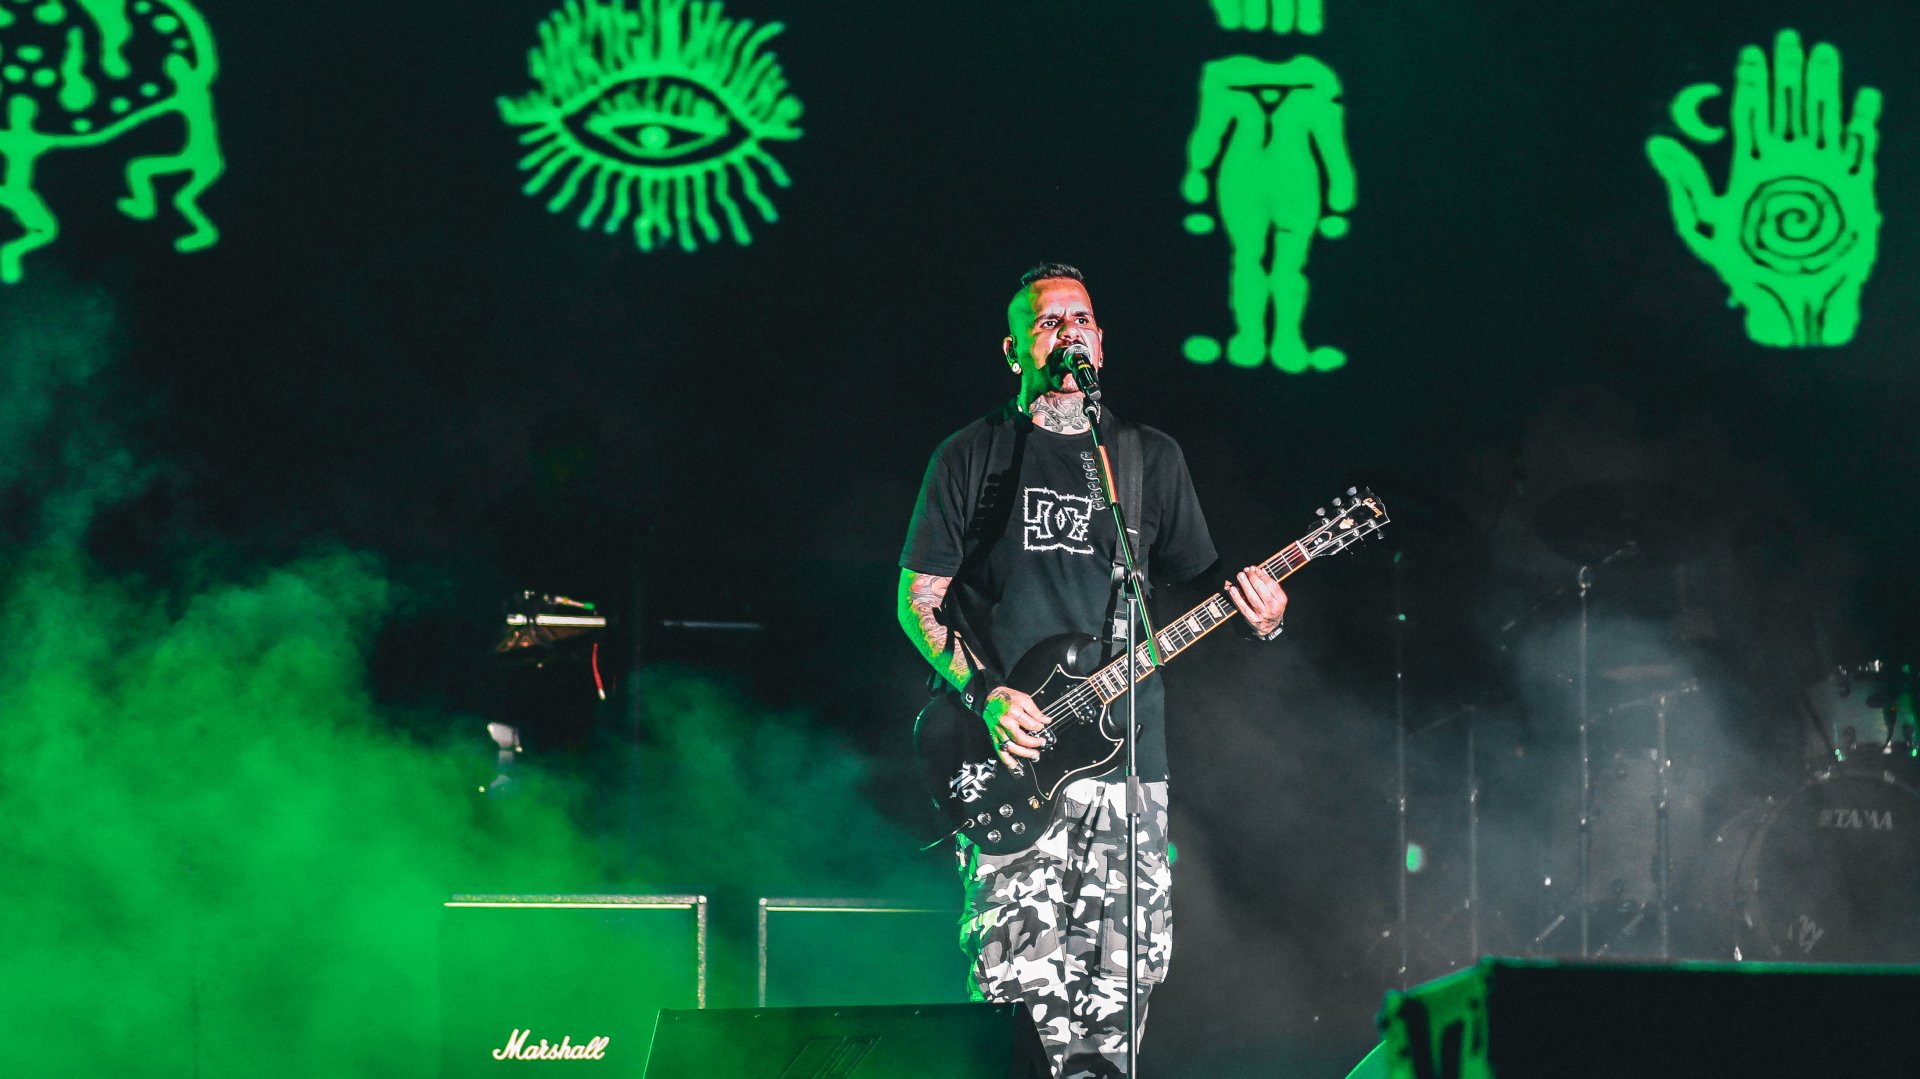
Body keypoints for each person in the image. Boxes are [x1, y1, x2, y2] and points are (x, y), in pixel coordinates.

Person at [897, 263, 1288, 1076]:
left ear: (1102, 341)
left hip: (1130, 767)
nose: (1068, 331)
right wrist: (986, 692)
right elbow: (919, 601)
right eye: (1048, 322)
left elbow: (1204, 579)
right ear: (1015, 351)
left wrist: (1262, 612)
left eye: (1082, 319)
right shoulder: (972, 456)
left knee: (1119, 999)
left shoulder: (1147, 460)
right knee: (1016, 1002)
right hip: (1013, 763)